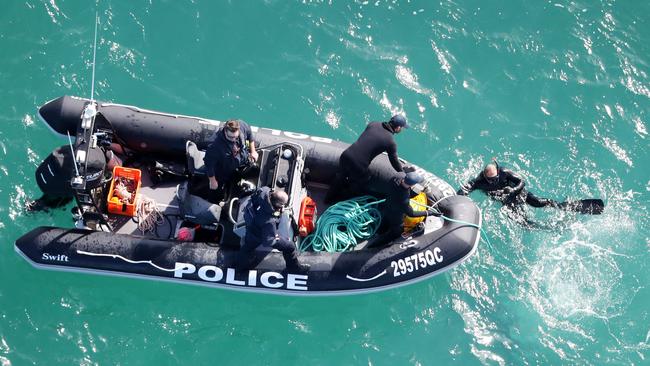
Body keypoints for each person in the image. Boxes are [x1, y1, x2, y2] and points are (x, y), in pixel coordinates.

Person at [457, 161, 604, 215]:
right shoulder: (480, 181)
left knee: (541, 203)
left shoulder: (505, 172)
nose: (492, 182)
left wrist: (513, 190)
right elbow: (467, 188)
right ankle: (548, 229)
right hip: (508, 202)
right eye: (490, 180)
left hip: (518, 193)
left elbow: (522, 182)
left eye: (495, 179)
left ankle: (572, 206)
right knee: (523, 223)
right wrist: (457, 198)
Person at [326, 114, 408, 203]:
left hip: (346, 155)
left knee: (340, 176)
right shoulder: (390, 142)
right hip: (359, 165)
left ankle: (328, 199)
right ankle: (341, 200)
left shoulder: (373, 124)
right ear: (398, 128)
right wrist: (403, 174)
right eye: (402, 128)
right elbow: (394, 161)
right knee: (363, 180)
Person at [237, 187, 310, 273]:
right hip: (259, 233)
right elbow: (269, 241)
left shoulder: (264, 190)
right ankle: (293, 268)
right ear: (279, 205)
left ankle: (240, 266)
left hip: (251, 226)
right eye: (283, 205)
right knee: (290, 247)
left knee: (247, 247)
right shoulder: (269, 222)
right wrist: (277, 238)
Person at [367, 172, 440, 248]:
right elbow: (411, 213)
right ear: (412, 185)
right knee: (397, 232)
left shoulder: (397, 177)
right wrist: (429, 213)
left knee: (384, 222)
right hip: (396, 217)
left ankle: (379, 231)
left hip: (387, 206)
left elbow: (402, 179)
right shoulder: (403, 199)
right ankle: (374, 246)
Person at [204, 119, 258, 198]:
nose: (233, 140)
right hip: (223, 170)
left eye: (235, 137)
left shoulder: (242, 125)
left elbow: (249, 134)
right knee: (216, 191)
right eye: (231, 137)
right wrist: (212, 180)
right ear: (225, 131)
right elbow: (209, 164)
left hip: (242, 160)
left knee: (254, 169)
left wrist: (253, 151)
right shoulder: (214, 145)